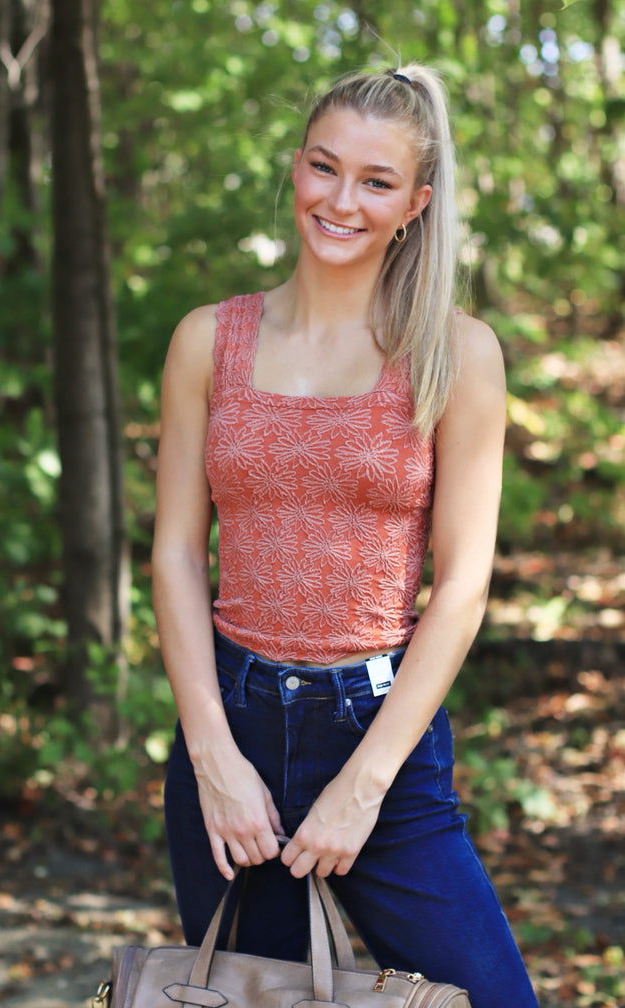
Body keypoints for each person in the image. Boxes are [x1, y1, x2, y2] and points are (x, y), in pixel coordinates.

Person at [152, 64, 539, 1008]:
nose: (341, 201)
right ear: (295, 170)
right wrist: (213, 756)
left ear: (416, 202)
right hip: (233, 732)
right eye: (324, 168)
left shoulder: (456, 354)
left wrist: (363, 784)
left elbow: (462, 586)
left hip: (384, 737)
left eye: (375, 181)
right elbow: (172, 551)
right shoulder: (210, 339)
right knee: (255, 995)